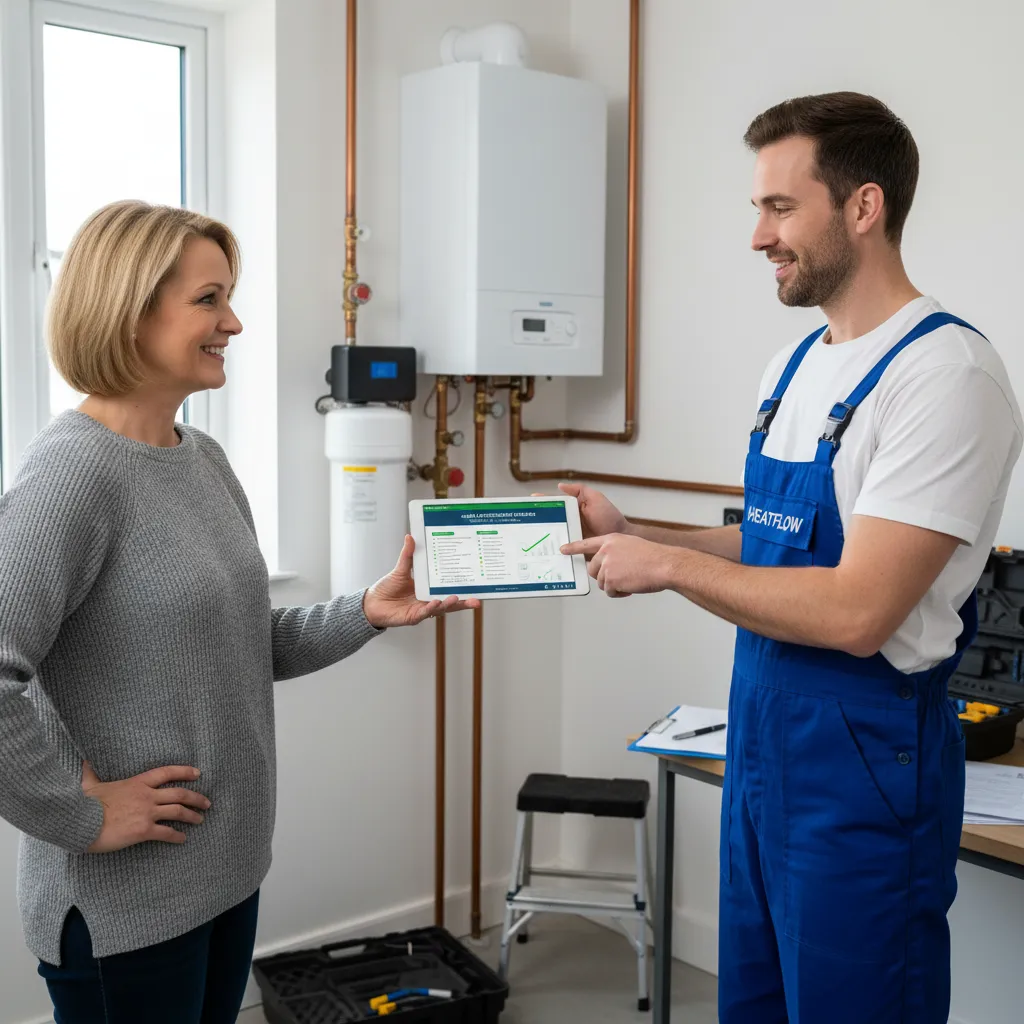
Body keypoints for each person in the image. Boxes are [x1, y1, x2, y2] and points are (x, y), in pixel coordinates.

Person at [561, 92, 1022, 1023]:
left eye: (779, 207)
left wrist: (671, 573)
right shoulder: (795, 367)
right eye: (758, 209)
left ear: (863, 206)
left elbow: (858, 613)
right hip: (763, 747)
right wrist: (637, 533)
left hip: (866, 766)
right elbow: (770, 543)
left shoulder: (946, 376)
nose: (758, 236)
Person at [0, 200, 478, 1024]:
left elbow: (248, 641)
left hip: (221, 873)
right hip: (126, 905)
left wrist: (369, 610)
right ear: (130, 309)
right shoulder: (71, 476)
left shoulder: (203, 460)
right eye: (210, 300)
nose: (236, 322)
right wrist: (78, 812)